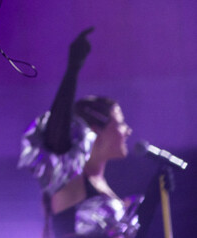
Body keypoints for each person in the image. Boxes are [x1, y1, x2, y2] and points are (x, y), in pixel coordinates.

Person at [18, 28, 159, 237]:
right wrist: (72, 70)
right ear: (95, 131)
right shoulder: (70, 182)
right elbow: (57, 137)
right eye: (120, 124)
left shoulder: (100, 183)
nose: (128, 131)